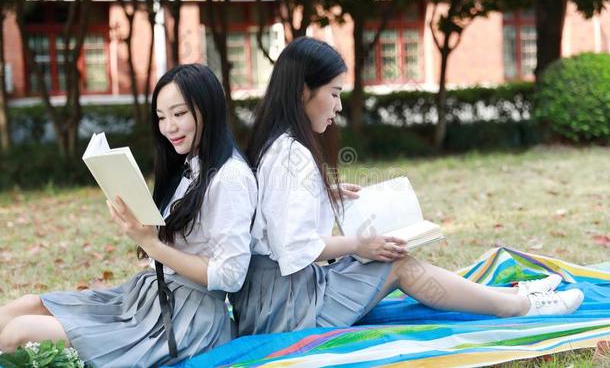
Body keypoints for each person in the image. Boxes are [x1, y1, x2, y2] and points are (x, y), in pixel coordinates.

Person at [230, 37, 584, 336]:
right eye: (334, 93)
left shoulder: (276, 144)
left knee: (391, 258)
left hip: (273, 297)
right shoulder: (292, 153)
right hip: (286, 311)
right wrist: (359, 244)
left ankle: (507, 298)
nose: (338, 106)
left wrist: (322, 192)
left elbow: (272, 216)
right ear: (304, 91)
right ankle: (518, 306)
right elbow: (293, 246)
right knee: (398, 263)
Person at [0, 64, 257, 367]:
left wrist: (152, 244)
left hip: (187, 318)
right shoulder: (190, 164)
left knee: (18, 333)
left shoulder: (231, 178)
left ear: (208, 110)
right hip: (150, 295)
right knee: (23, 307)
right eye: (161, 117)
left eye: (179, 114)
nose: (169, 127)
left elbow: (230, 275)